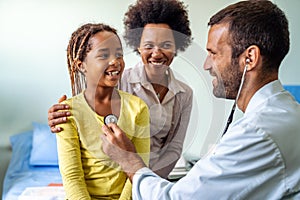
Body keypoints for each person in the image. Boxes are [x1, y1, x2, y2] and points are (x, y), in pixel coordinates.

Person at [100, 0, 300, 199]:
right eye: (149, 45)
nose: (206, 65)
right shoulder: (287, 113)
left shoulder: (256, 132)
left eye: (213, 53)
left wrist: (129, 161)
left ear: (249, 58)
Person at [48, 0, 193, 179]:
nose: (156, 53)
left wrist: (148, 184)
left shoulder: (184, 94)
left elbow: (174, 148)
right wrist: (58, 115)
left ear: (177, 47)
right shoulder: (116, 80)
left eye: (166, 45)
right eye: (148, 46)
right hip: (116, 179)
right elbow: (87, 118)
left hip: (153, 182)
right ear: (137, 47)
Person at [56, 23, 150, 199]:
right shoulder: (67, 112)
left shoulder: (138, 108)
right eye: (104, 55)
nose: (115, 61)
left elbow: (139, 168)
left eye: (119, 55)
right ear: (81, 65)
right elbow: (72, 177)